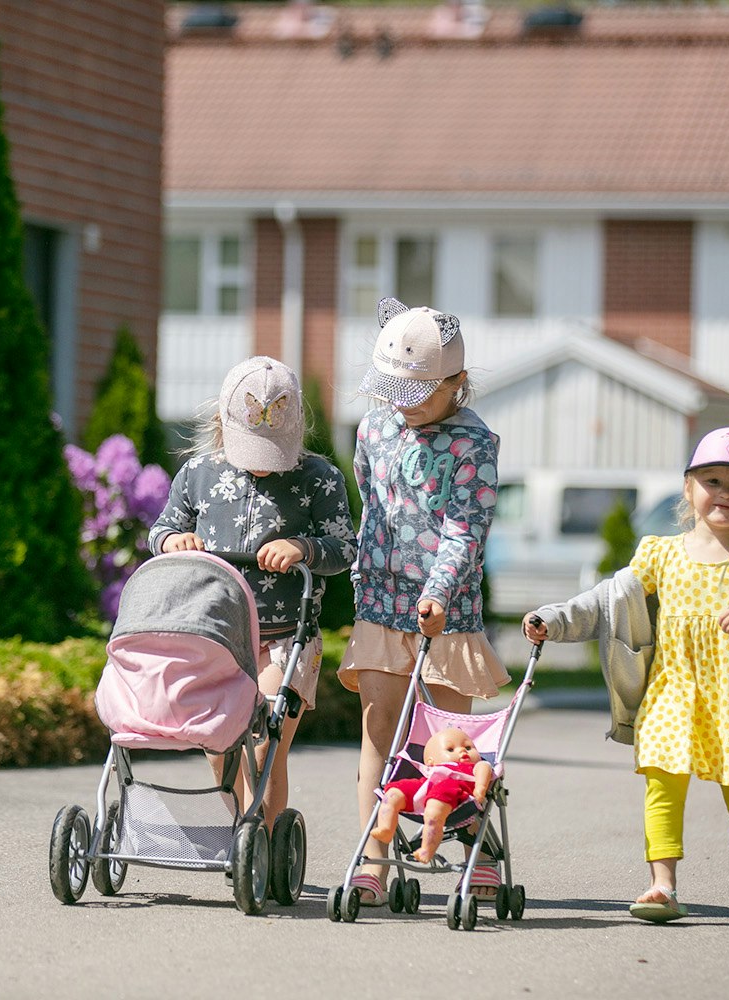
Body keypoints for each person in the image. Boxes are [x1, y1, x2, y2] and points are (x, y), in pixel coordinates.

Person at [523, 426, 729, 926]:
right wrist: (555, 620)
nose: (726, 494)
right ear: (688, 488)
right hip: (670, 694)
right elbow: (607, 601)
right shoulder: (659, 553)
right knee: (662, 790)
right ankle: (661, 886)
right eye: (713, 480)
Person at [338, 296, 507, 907]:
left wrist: (438, 592)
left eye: (420, 394)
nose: (403, 404)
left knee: (451, 741)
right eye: (394, 391)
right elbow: (371, 503)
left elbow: (467, 527)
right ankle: (374, 858)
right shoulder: (374, 427)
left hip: (446, 615)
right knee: (378, 725)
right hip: (382, 603)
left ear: (457, 384)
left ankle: (478, 851)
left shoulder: (474, 444)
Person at [148, 356, 355, 826]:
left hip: (286, 636)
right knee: (219, 743)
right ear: (224, 423)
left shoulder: (318, 477)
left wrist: (302, 547)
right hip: (218, 633)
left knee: (264, 742)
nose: (261, 468)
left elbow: (344, 547)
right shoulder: (198, 474)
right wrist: (172, 540)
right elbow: (160, 530)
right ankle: (247, 831)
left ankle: (263, 839)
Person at [371, 726, 494, 864]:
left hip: (452, 789)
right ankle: (386, 827)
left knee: (436, 803)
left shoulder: (475, 766)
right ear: (430, 762)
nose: (462, 750)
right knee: (395, 790)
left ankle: (427, 848)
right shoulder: (430, 769)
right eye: (450, 749)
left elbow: (484, 769)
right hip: (425, 785)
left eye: (468, 747)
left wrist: (480, 789)